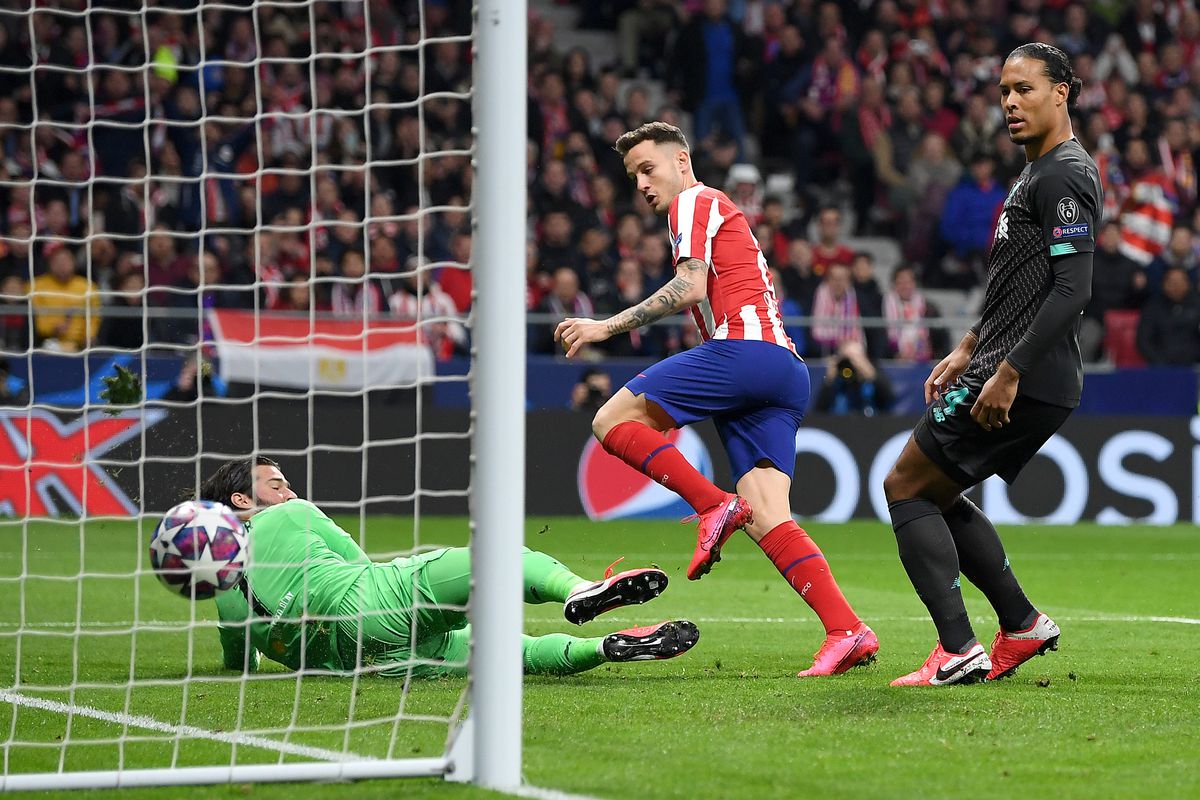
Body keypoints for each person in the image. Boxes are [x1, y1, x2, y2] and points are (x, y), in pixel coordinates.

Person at [554, 122, 877, 677]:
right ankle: (846, 630)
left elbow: (691, 288)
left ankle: (710, 504)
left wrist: (606, 327)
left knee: (611, 420)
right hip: (782, 371)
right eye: (633, 177)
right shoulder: (714, 212)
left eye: (648, 169)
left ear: (682, 161)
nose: (641, 185)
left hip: (746, 351)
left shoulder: (695, 201)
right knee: (770, 516)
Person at [882, 44, 1103, 686]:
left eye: (1025, 89)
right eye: (1004, 91)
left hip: (1025, 372)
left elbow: (1073, 290)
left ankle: (956, 648)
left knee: (905, 486)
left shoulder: (1064, 173)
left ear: (1061, 92)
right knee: (938, 489)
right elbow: (1018, 282)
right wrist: (970, 343)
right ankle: (1022, 624)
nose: (1010, 102)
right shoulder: (1035, 173)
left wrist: (1006, 372)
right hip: (1009, 363)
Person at [199, 457, 699, 678]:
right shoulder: (293, 513)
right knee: (496, 558)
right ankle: (578, 589)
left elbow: (238, 657)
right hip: (373, 603)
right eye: (276, 484)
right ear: (242, 499)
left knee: (511, 657)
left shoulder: (221, 585)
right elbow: (356, 564)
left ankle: (603, 648)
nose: (289, 491)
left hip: (356, 664)